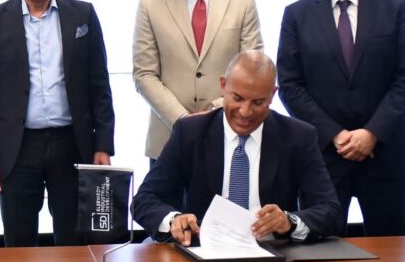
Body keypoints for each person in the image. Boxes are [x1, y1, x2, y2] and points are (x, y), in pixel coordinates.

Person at [0, 0, 115, 246]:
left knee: (75, 241)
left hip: (72, 144)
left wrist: (103, 145)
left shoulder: (83, 14)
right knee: (18, 241)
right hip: (16, 148)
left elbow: (99, 85)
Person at [132, 51, 344, 245]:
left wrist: (289, 222)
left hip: (273, 253)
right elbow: (144, 200)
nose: (245, 112)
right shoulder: (190, 132)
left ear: (272, 95)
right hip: (202, 248)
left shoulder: (298, 136)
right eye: (238, 98)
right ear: (223, 85)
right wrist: (174, 220)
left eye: (258, 102)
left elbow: (331, 211)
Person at [277, 0, 405, 236]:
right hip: (325, 158)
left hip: (386, 155)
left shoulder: (396, 8)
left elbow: (403, 79)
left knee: (392, 252)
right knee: (321, 252)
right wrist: (335, 135)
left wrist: (372, 133)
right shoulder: (297, 15)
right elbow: (290, 86)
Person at [133, 0, 263, 167]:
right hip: (168, 140)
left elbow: (252, 70)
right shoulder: (150, 3)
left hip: (228, 133)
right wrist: (182, 120)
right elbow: (144, 74)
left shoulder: (242, 1)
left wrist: (214, 113)